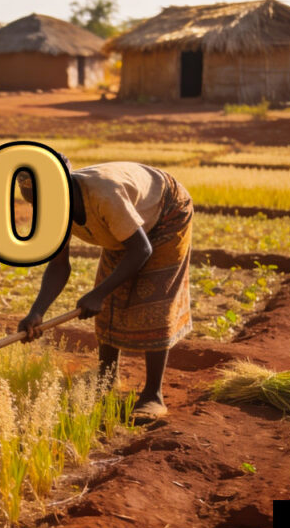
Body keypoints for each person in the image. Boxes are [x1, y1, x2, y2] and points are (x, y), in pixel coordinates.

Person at [14, 159, 193, 424]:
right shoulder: (54, 208)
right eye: (34, 203)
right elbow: (59, 264)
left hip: (166, 212)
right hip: (126, 225)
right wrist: (37, 311)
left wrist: (98, 293)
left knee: (154, 297)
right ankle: (107, 377)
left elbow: (142, 250)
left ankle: (153, 395)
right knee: (109, 296)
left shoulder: (104, 194)